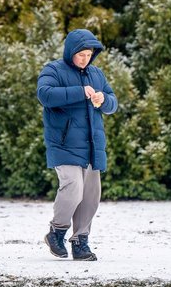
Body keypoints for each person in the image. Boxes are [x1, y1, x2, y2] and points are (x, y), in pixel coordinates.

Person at [37, 28, 118, 261]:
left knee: (91, 195)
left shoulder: (97, 74)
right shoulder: (53, 70)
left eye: (89, 54)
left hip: (92, 145)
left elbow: (113, 102)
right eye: (81, 54)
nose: (85, 59)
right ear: (71, 51)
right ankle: (57, 232)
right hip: (63, 144)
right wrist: (80, 92)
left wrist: (104, 100)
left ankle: (80, 242)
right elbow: (45, 95)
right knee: (73, 187)